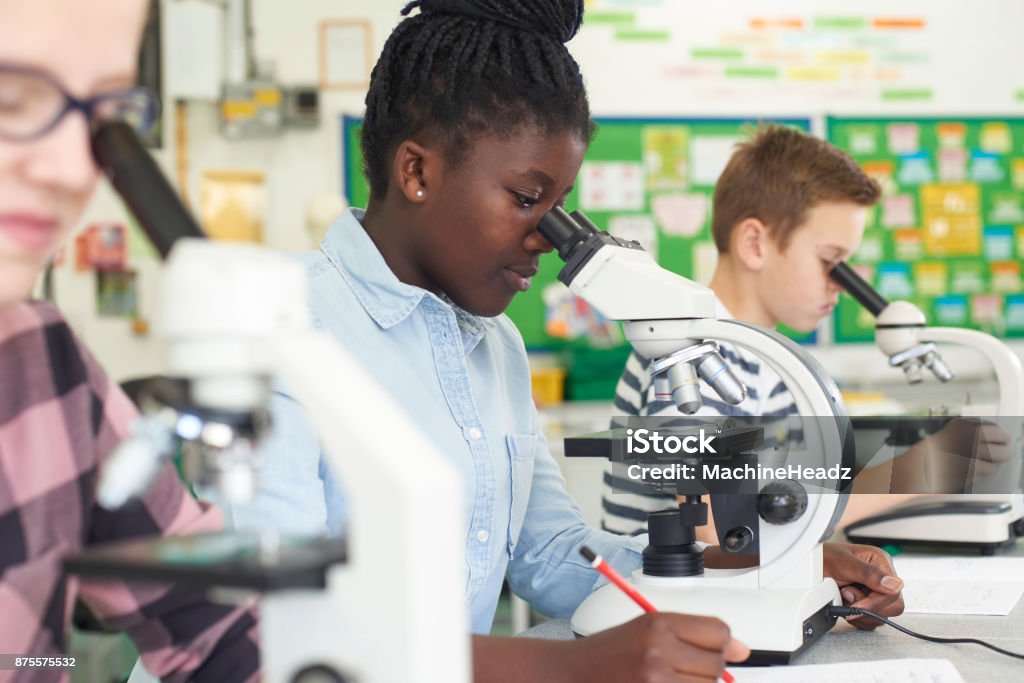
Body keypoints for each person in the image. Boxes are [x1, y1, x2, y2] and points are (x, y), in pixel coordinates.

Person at [223, 2, 903, 680]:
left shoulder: (495, 345)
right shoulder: (275, 327)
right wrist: (573, 666)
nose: (548, 239)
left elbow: (554, 554)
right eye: (527, 198)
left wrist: (776, 568)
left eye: (560, 207)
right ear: (417, 172)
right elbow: (274, 627)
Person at [0, 1, 259, 680]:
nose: (69, 169)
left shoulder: (46, 364)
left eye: (103, 117)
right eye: (9, 98)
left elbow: (215, 624)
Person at [602, 126, 1010, 557]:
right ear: (755, 243)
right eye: (830, 262)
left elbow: (787, 498)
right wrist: (917, 473)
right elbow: (721, 533)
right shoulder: (694, 353)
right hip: (664, 611)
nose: (842, 286)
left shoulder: (767, 359)